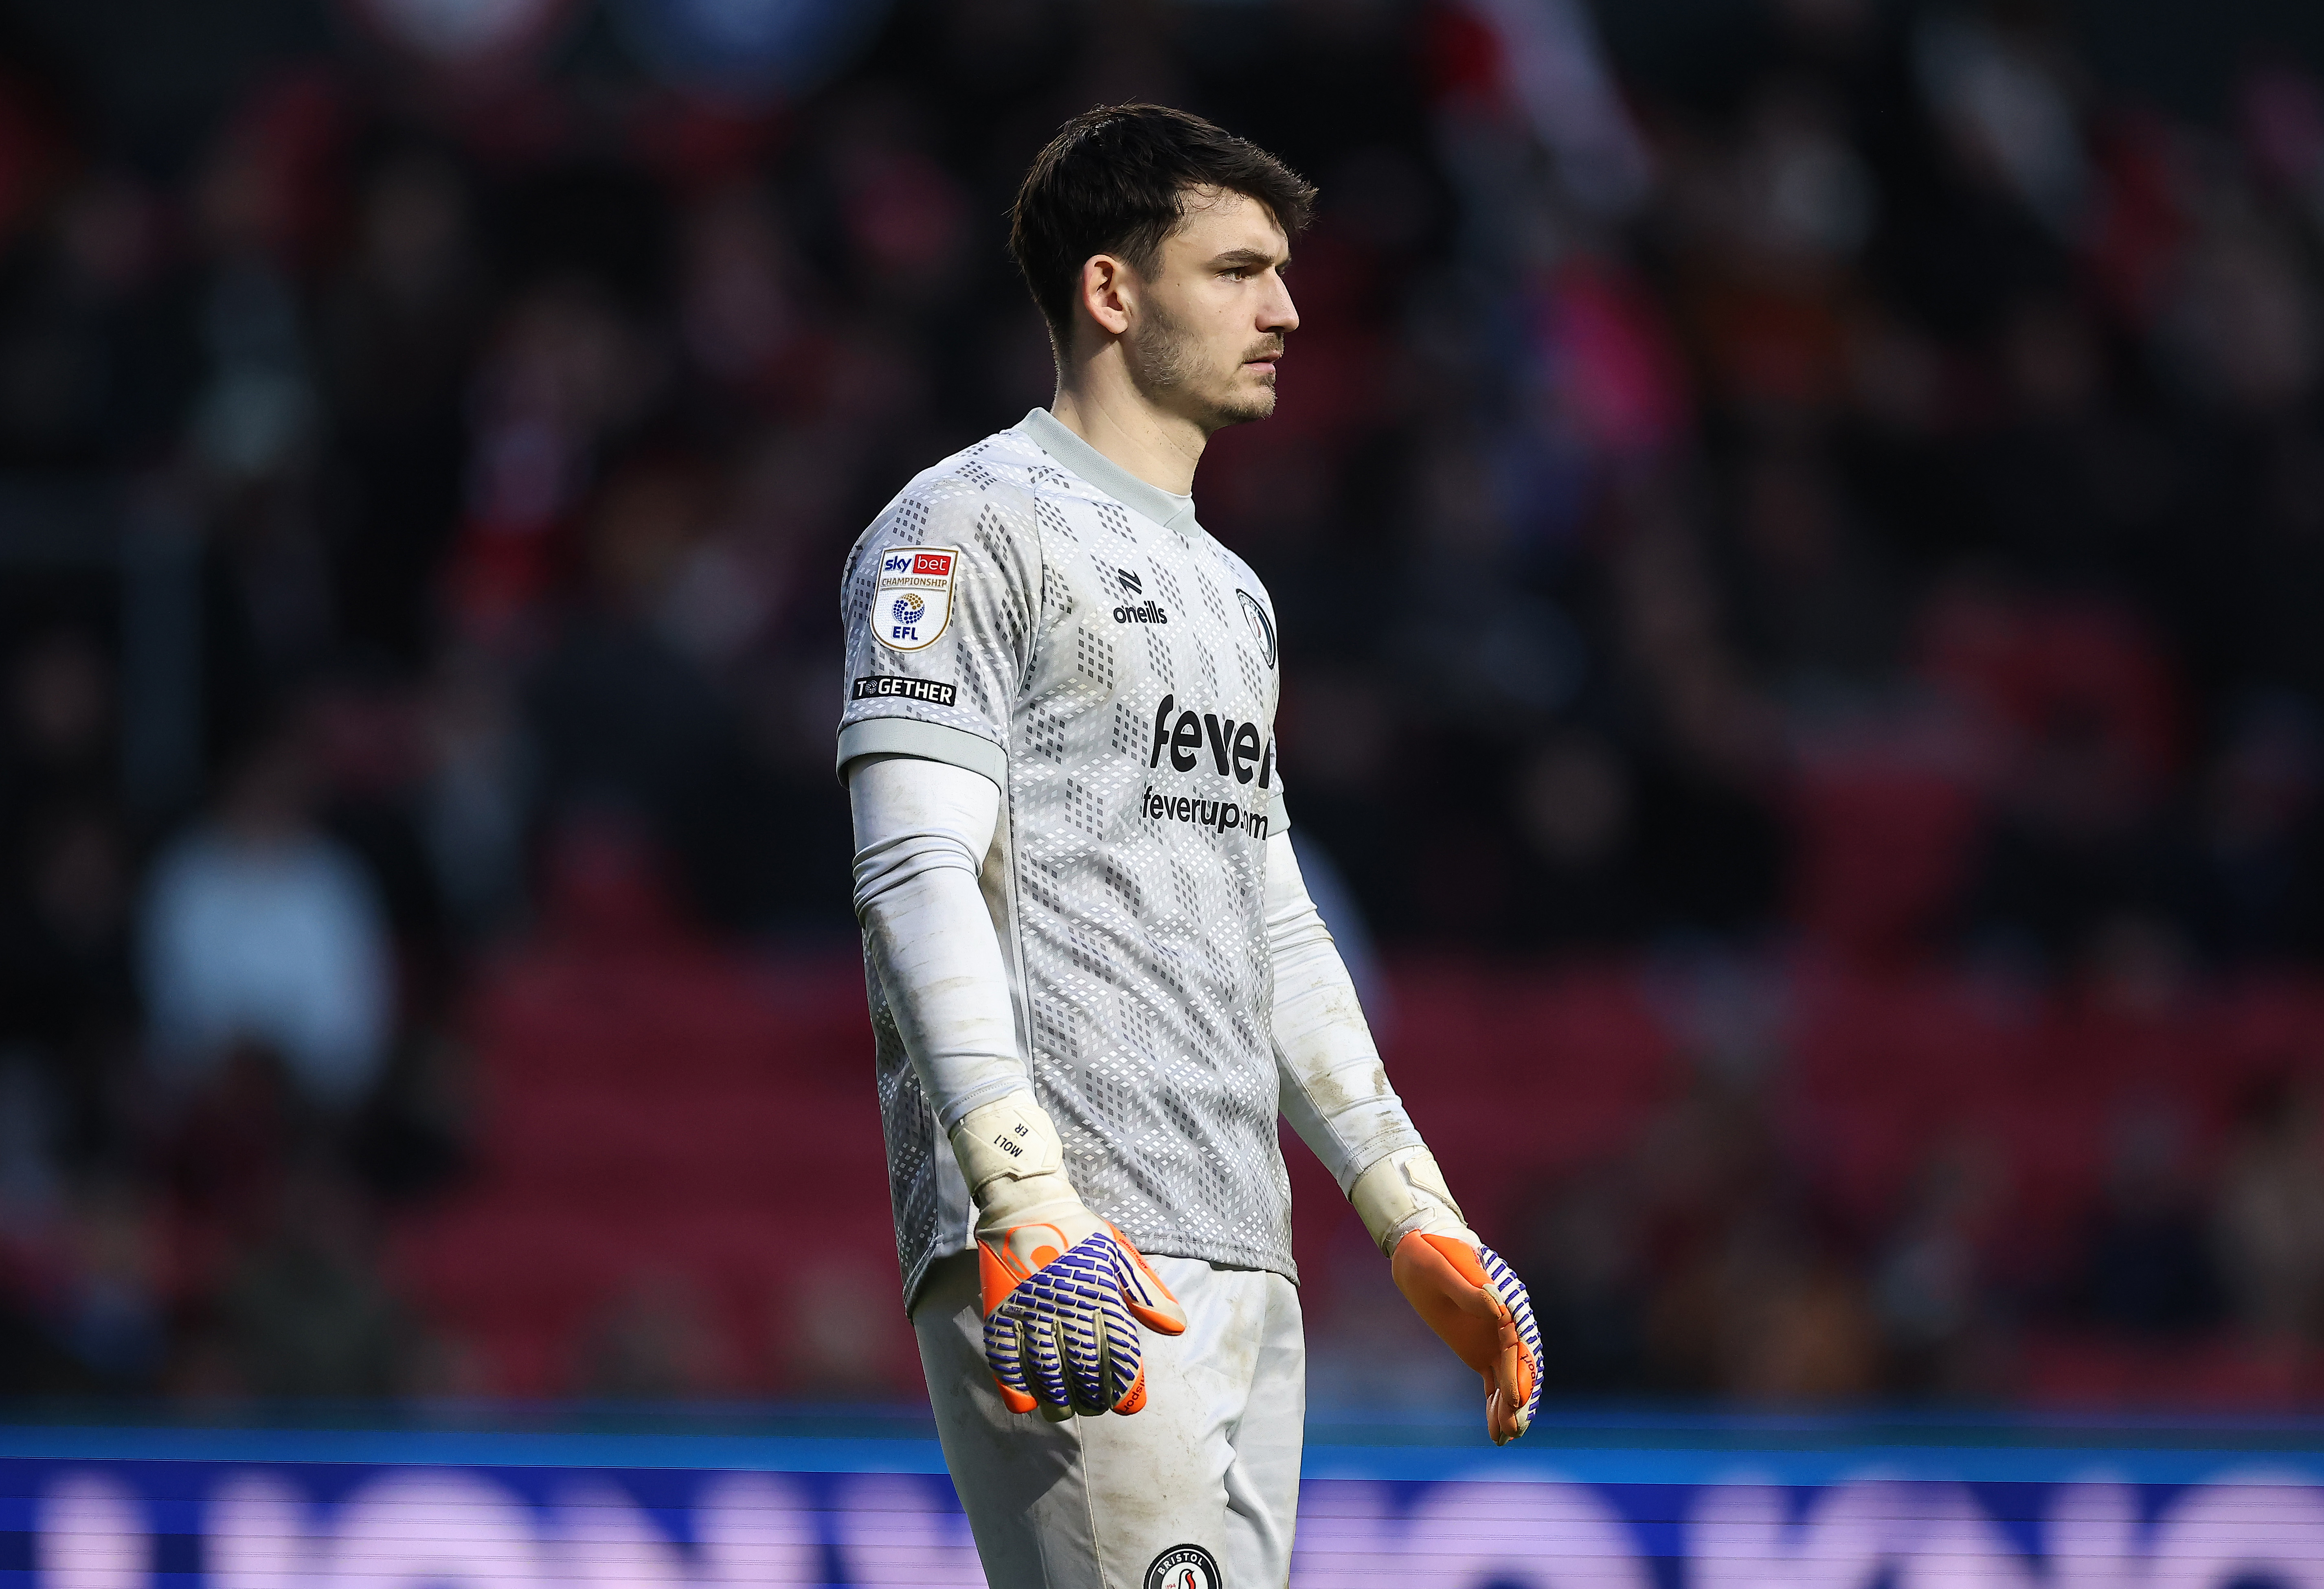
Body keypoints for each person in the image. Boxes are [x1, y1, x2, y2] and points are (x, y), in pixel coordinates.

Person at [838, 105, 1543, 1589]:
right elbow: (913, 872)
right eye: (1236, 270)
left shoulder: (1233, 595)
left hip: (1241, 1239)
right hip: (1073, 1239)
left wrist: (1406, 1202)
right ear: (1110, 290)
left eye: (1280, 274)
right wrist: (1022, 1195)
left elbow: (1266, 916)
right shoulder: (960, 526)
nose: (1283, 311)